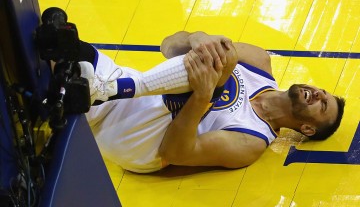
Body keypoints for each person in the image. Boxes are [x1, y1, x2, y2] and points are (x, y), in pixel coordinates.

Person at [77, 31, 345, 173]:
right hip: (123, 87)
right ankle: (108, 88)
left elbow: (175, 153)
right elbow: (169, 45)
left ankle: (107, 91)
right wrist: (198, 38)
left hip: (137, 138)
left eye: (323, 105)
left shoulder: (251, 142)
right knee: (66, 52)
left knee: (217, 69)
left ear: (307, 129)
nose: (318, 94)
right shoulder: (259, 61)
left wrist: (204, 98)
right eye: (322, 91)